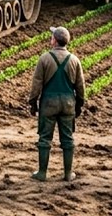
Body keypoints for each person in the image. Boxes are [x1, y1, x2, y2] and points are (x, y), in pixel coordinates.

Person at [28, 26, 86, 182]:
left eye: (51, 37)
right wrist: (79, 104)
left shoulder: (44, 58)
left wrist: (33, 102)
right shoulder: (74, 60)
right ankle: (68, 174)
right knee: (67, 139)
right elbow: (80, 86)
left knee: (45, 138)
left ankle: (42, 172)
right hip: (68, 103)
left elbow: (37, 84)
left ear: (54, 40)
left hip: (49, 103)